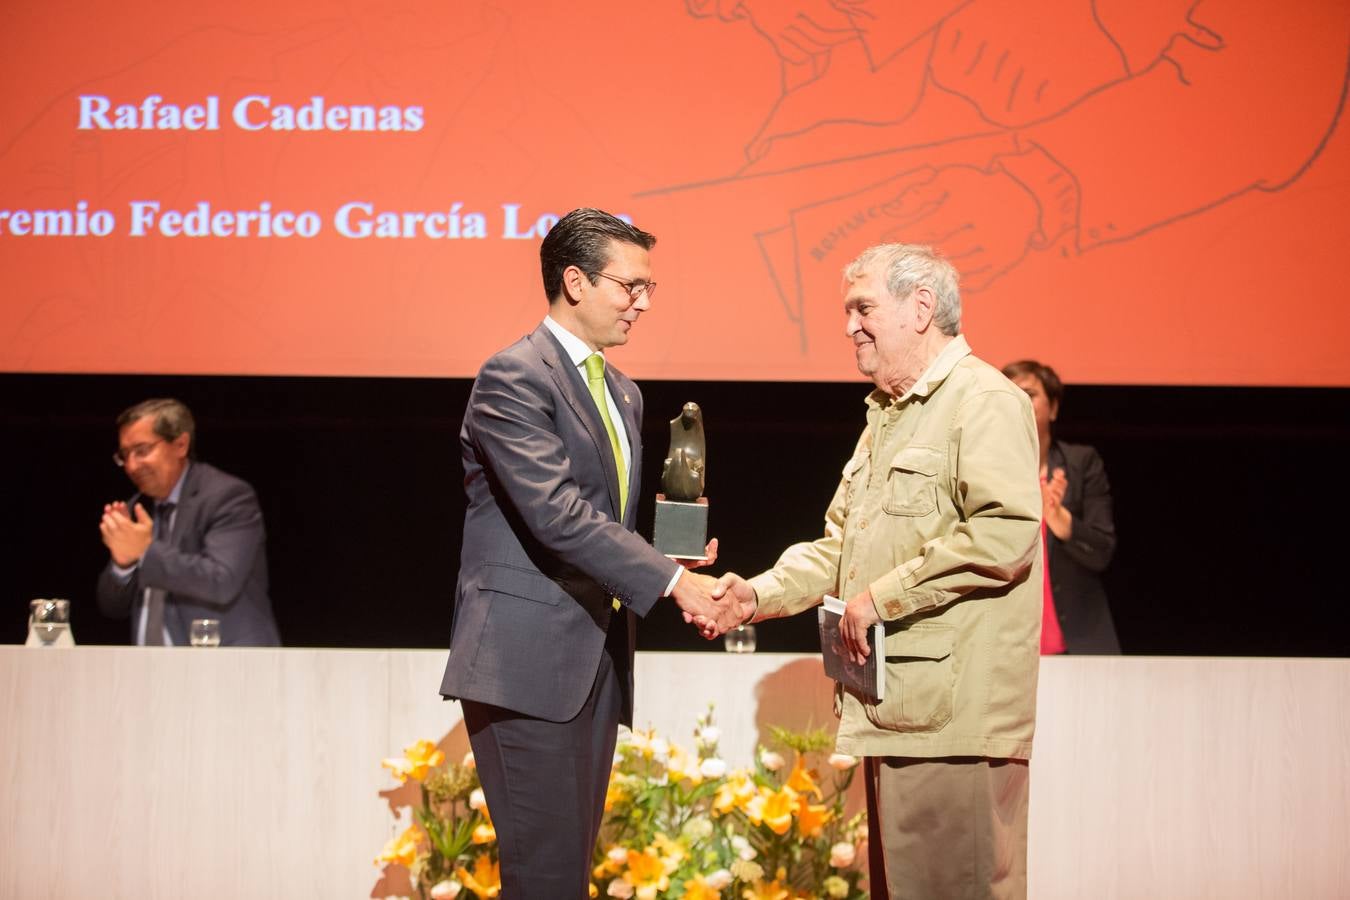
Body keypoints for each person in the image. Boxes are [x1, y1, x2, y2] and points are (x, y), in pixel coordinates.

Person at [714, 243, 1043, 899]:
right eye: (847, 311)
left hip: (953, 724)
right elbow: (839, 548)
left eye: (863, 308)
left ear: (922, 308)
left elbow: (1005, 533)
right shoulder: (886, 419)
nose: (849, 326)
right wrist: (752, 596)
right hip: (900, 714)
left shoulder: (983, 400)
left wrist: (879, 598)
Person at [438, 207, 739, 897]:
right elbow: (556, 516)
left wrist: (672, 557)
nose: (641, 302)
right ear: (574, 281)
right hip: (524, 661)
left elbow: (604, 521)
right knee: (543, 877)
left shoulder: (620, 390)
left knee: (566, 874)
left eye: (648, 288)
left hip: (594, 655)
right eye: (629, 285)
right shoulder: (513, 377)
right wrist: (670, 584)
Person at [96, 398, 280, 646]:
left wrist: (144, 552)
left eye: (142, 451)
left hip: (228, 667)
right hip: (151, 671)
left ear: (180, 444)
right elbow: (112, 607)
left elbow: (221, 581)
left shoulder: (228, 497)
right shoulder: (137, 508)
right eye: (124, 455)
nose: (131, 465)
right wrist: (123, 563)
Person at [1002, 359, 1120, 654]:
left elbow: (1102, 552)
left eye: (1029, 394)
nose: (1019, 401)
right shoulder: (987, 471)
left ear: (1053, 408)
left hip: (1077, 642)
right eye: (1009, 394)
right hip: (1008, 643)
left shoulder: (1081, 464)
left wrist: (1061, 521)